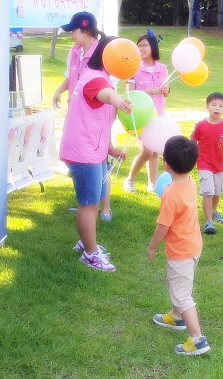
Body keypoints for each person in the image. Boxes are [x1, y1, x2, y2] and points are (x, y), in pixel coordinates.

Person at [60, 36, 133, 272]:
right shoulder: (95, 80)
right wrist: (119, 100)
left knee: (97, 196)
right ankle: (90, 254)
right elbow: (105, 96)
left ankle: (87, 241)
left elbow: (100, 119)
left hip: (95, 150)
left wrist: (109, 148)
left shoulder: (102, 78)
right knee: (89, 203)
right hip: (84, 153)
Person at [148, 136, 210, 356]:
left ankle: (197, 339)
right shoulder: (190, 182)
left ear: (165, 163)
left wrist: (152, 246)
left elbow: (163, 226)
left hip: (181, 251)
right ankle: (176, 317)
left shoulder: (170, 194)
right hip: (193, 245)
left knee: (183, 295)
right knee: (179, 286)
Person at [124, 34, 170, 193]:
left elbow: (167, 90)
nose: (141, 48)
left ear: (153, 47)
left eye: (145, 45)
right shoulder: (133, 68)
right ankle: (130, 180)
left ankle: (152, 184)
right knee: (146, 152)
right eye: (139, 45)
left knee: (155, 152)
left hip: (157, 116)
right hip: (140, 116)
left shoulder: (162, 68)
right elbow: (130, 95)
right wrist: (150, 90)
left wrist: (166, 89)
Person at [191, 92, 223, 234]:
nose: (217, 108)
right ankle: (208, 221)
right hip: (204, 164)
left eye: (221, 106)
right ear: (207, 106)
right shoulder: (200, 125)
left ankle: (214, 211)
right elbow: (193, 141)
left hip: (219, 165)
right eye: (214, 105)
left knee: (217, 191)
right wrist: (194, 157)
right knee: (208, 192)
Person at [52, 11, 100, 109]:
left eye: (73, 30)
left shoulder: (102, 53)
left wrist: (79, 97)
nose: (71, 34)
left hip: (92, 113)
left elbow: (104, 87)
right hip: (75, 109)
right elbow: (71, 77)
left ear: (87, 31)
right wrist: (59, 90)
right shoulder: (74, 51)